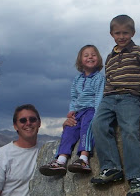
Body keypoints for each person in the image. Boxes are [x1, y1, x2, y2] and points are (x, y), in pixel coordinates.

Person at [90, 14, 140, 196]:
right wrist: (103, 101)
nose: (121, 36)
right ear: (111, 34)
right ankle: (111, 167)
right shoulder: (110, 57)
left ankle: (136, 177)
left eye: (125, 33)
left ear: (132, 33)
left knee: (129, 130)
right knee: (98, 125)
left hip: (130, 97)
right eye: (117, 33)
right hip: (109, 98)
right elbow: (108, 81)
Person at [39, 44, 105, 176]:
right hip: (79, 111)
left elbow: (99, 96)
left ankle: (84, 159)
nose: (90, 57)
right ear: (80, 60)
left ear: (98, 59)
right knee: (69, 129)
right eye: (86, 55)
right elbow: (74, 97)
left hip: (91, 110)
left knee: (87, 127)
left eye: (93, 55)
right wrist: (72, 111)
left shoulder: (99, 78)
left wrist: (98, 114)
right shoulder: (77, 79)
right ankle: (61, 160)